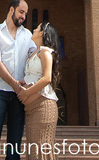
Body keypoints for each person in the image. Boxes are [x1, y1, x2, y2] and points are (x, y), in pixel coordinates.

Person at [0, 0, 34, 160]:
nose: (23, 16)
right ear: (11, 10)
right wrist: (14, 83)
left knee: (15, 141)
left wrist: (28, 78)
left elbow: (34, 57)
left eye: (25, 13)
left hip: (19, 96)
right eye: (21, 12)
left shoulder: (27, 35)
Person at [18, 22, 60, 160]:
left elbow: (47, 78)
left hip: (43, 106)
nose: (34, 30)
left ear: (42, 33)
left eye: (36, 28)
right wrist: (24, 82)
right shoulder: (35, 52)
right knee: (33, 152)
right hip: (31, 109)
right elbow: (34, 76)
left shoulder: (45, 52)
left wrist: (26, 93)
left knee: (41, 151)